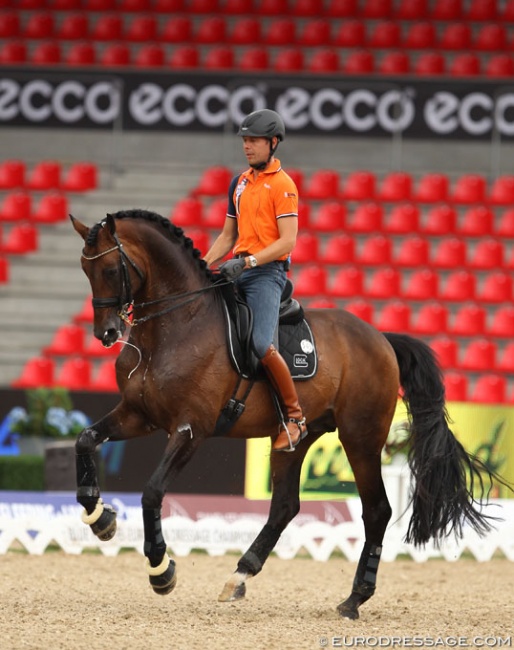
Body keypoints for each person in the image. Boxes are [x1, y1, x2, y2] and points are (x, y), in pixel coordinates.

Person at [204, 108, 307, 452]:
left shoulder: (284, 186)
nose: (247, 147)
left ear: (273, 143)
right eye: (245, 141)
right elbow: (226, 235)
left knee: (262, 344)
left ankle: (294, 418)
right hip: (238, 268)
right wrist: (203, 266)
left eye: (254, 141)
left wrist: (247, 261)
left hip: (266, 274)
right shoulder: (240, 182)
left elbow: (287, 241)